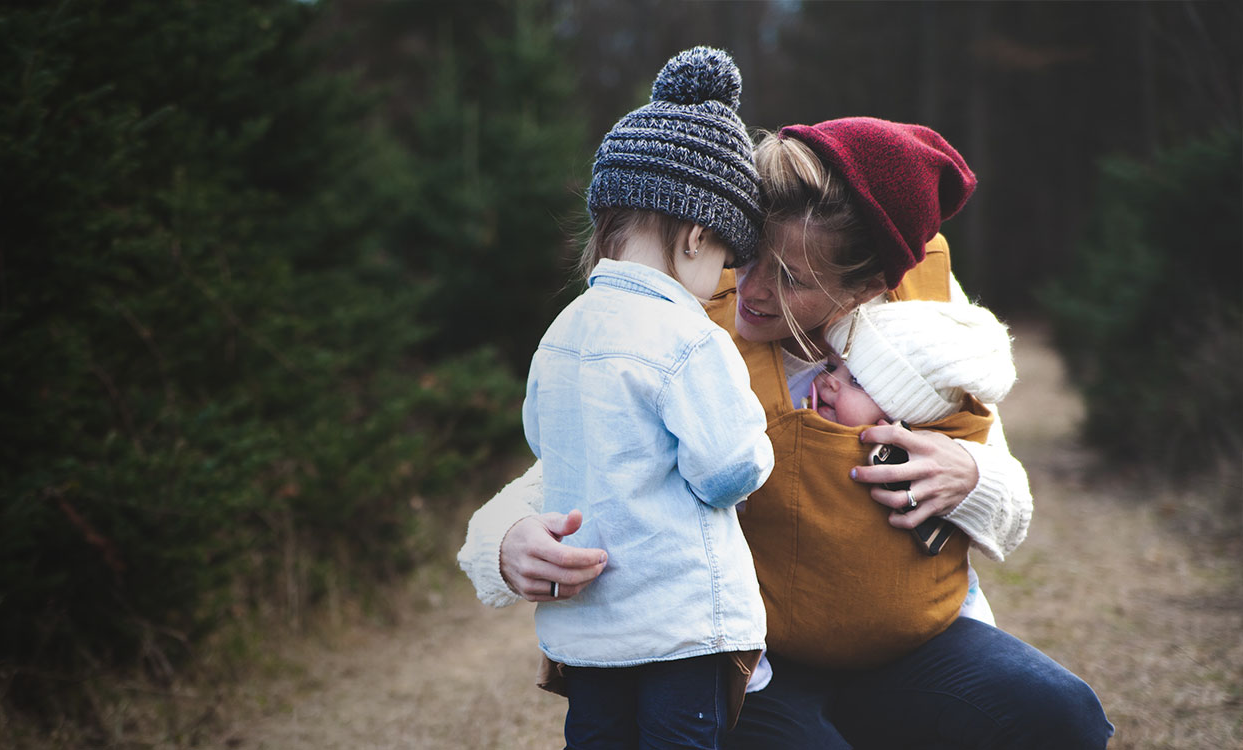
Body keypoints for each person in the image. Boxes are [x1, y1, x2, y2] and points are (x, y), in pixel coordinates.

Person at [458, 114, 1114, 748]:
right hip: (752, 663)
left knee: (1062, 717)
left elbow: (1013, 510)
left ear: (869, 287)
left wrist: (972, 478)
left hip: (911, 648)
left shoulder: (926, 336)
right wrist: (504, 541)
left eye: (793, 278)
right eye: (751, 254)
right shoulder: (687, 322)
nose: (752, 288)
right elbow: (580, 459)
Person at [522, 46, 774, 750]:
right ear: (697, 236)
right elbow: (728, 470)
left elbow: (542, 440)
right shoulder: (687, 339)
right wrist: (757, 441)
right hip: (678, 627)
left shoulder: (560, 333)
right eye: (727, 256)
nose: (725, 276)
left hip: (589, 632)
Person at [780, 298, 1017, 669]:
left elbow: (1011, 516)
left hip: (931, 630)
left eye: (855, 380)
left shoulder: (932, 448)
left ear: (902, 416)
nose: (827, 383)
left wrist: (975, 476)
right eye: (830, 367)